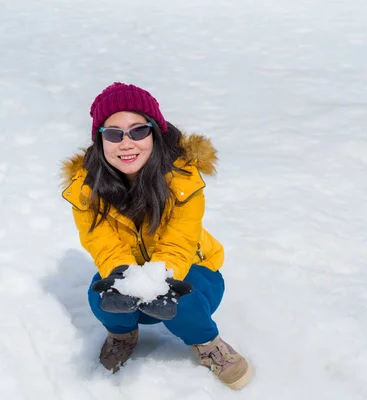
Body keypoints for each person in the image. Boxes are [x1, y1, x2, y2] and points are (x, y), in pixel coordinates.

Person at [61, 82, 252, 390]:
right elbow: (100, 242)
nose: (126, 143)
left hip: (190, 270)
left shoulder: (183, 178)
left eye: (138, 131)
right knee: (99, 297)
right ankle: (122, 335)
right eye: (113, 133)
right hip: (130, 269)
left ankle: (207, 344)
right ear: (99, 141)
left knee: (184, 302)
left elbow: (180, 239)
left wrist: (161, 276)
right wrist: (121, 274)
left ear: (155, 132)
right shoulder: (86, 188)